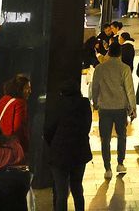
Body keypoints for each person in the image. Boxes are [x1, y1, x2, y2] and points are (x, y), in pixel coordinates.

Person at [42, 83, 91, 211]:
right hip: (79, 151)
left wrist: (52, 143)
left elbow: (48, 129)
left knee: (61, 193)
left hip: (59, 153)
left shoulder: (58, 105)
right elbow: (87, 126)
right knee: (77, 188)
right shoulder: (84, 104)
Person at [90, 44, 136, 179]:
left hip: (105, 107)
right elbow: (130, 90)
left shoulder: (100, 68)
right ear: (120, 54)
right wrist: (132, 108)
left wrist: (95, 103)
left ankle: (107, 168)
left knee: (105, 139)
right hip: (120, 107)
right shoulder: (125, 68)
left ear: (108, 53)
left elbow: (95, 87)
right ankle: (120, 163)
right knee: (122, 136)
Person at [0, 74, 31, 152]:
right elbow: (18, 127)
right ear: (20, 88)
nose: (30, 91)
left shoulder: (3, 99)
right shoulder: (20, 103)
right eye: (27, 88)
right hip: (12, 148)